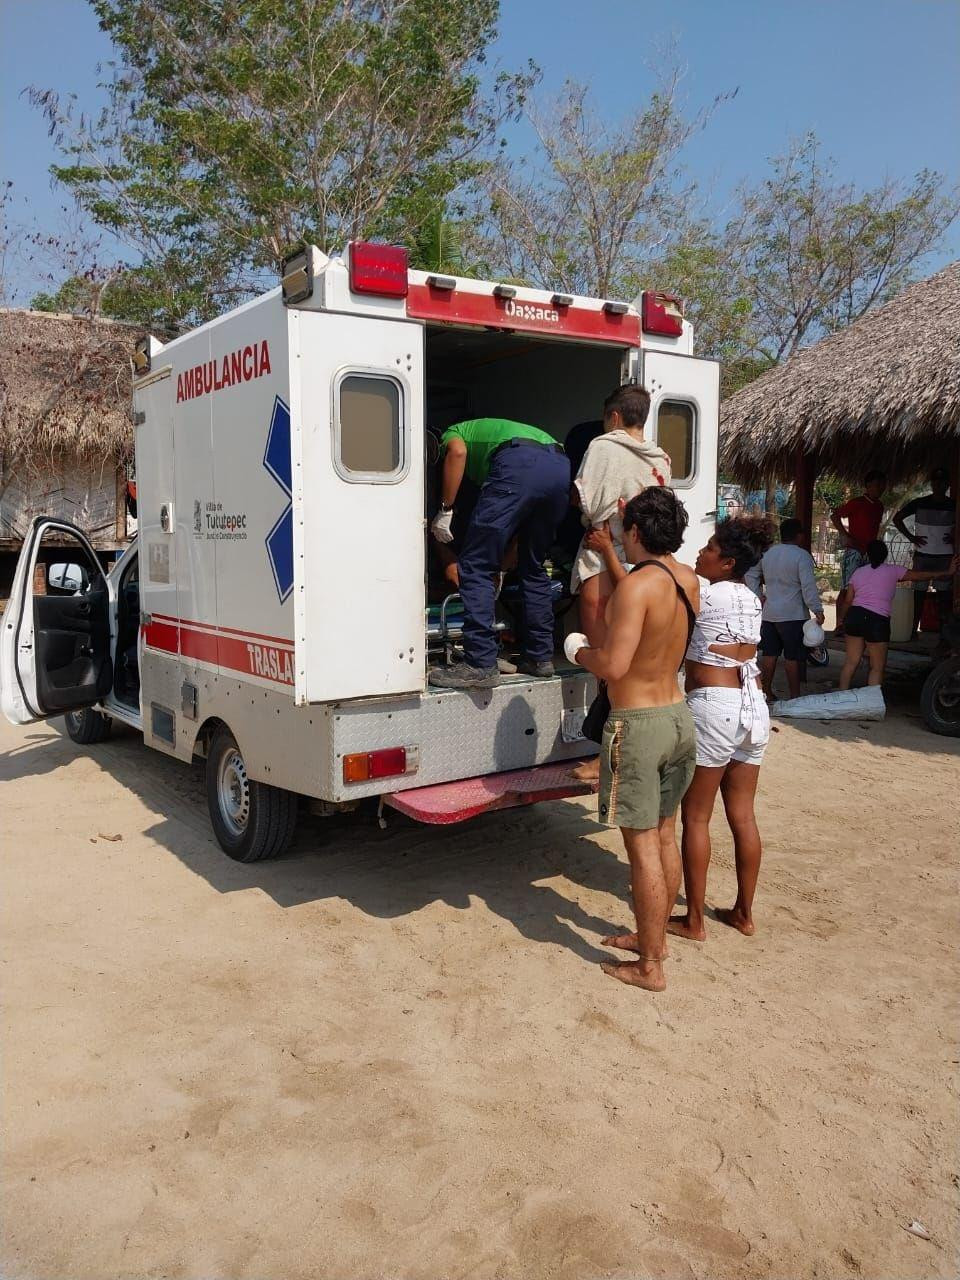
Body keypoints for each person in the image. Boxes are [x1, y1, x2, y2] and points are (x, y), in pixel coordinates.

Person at [565, 488, 700, 993]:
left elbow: (615, 664)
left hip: (637, 726)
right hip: (677, 716)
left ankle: (650, 966)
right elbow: (643, 596)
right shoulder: (685, 579)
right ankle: (655, 940)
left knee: (640, 846)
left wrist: (580, 649)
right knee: (664, 834)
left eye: (624, 530)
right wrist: (609, 557)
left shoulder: (634, 589)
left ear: (636, 533)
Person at [668, 517, 775, 944]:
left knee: (695, 816)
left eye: (710, 547)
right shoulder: (752, 598)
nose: (701, 552)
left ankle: (694, 921)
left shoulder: (706, 596)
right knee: (743, 816)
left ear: (727, 561)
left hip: (715, 706)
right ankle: (744, 914)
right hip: (754, 707)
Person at [429, 418, 570, 689]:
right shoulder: (500, 429)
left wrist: (445, 509)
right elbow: (517, 529)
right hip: (560, 466)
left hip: (518, 462)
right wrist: (504, 568)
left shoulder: (453, 433)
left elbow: (457, 453)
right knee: (534, 565)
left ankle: (480, 663)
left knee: (476, 565)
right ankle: (540, 657)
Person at [837, 540, 960, 690]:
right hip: (877, 620)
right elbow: (920, 576)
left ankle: (840, 697)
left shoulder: (858, 572)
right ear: (885, 555)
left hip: (855, 616)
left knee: (851, 662)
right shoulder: (893, 570)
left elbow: (848, 601)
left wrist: (842, 619)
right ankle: (871, 704)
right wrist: (947, 572)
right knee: (877, 667)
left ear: (868, 555)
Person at [746, 518, 825, 701]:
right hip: (793, 614)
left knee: (770, 654)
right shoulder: (802, 555)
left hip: (770, 613)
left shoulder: (768, 554)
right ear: (799, 535)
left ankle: (766, 691)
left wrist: (758, 596)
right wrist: (817, 609)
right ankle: (795, 696)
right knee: (793, 657)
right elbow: (808, 586)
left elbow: (751, 574)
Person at [892, 467, 956, 639]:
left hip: (945, 557)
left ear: (947, 484)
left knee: (944, 597)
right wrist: (911, 537)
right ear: (932, 483)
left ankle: (944, 635)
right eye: (935, 481)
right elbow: (896, 518)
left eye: (942, 482)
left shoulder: (953, 505)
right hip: (923, 555)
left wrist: (955, 536)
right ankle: (912, 630)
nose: (938, 485)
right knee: (918, 595)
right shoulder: (919, 502)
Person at [831, 471, 886, 631]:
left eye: (882, 485)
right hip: (854, 550)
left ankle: (857, 622)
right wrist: (844, 534)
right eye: (877, 485)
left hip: (870, 552)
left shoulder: (880, 506)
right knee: (847, 587)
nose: (880, 489)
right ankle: (840, 623)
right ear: (868, 486)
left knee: (865, 588)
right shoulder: (857, 503)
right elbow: (835, 516)